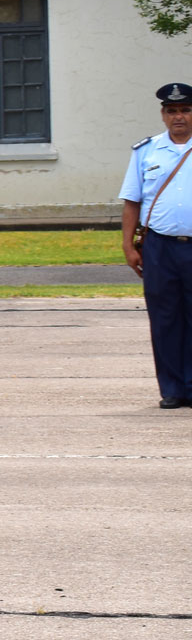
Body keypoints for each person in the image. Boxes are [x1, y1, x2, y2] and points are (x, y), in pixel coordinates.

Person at [121, 82, 192, 408]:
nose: (179, 117)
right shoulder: (146, 151)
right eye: (172, 111)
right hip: (159, 246)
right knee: (165, 318)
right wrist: (129, 246)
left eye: (186, 110)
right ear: (163, 115)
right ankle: (173, 389)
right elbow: (132, 202)